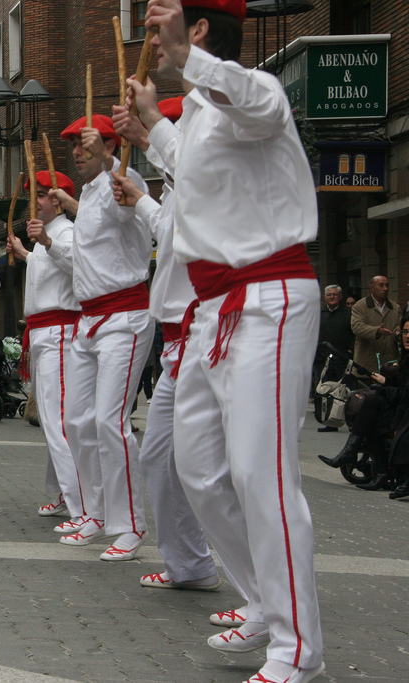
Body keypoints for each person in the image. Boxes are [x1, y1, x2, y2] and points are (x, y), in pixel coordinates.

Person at [145, 2, 324, 682]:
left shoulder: (258, 91)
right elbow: (192, 173)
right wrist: (149, 123)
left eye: (165, 27)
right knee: (196, 465)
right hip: (214, 308)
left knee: (260, 473)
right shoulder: (197, 115)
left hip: (268, 297)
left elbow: (252, 100)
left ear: (198, 32)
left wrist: (185, 62)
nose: (152, 39)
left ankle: (297, 646)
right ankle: (265, 603)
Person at [111, 94, 221, 591]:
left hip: (205, 335)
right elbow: (168, 229)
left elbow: (195, 179)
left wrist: (147, 135)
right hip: (177, 342)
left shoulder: (205, 178)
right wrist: (141, 200)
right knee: (158, 455)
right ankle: (190, 563)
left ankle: (262, 589)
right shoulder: (177, 190)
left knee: (209, 468)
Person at [58, 112, 153, 562]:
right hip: (88, 319)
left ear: (108, 146)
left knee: (110, 423)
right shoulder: (89, 192)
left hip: (124, 316)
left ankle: (130, 524)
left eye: (83, 144)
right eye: (74, 146)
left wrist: (115, 161)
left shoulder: (123, 180)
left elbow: (127, 201)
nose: (76, 152)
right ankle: (94, 512)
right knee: (77, 420)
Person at [6, 170, 94, 535]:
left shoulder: (67, 231)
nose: (35, 201)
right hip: (44, 334)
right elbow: (49, 270)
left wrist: (46, 242)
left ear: (58, 200)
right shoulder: (49, 235)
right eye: (34, 194)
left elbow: (78, 264)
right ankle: (61, 493)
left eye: (41, 194)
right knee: (52, 419)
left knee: (59, 421)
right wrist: (27, 253)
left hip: (59, 333)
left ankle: (83, 506)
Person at [318, 320, 408, 490]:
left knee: (373, 404)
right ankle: (377, 470)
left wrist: (385, 387)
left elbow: (404, 394)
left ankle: (352, 453)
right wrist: (385, 382)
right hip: (400, 406)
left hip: (405, 411)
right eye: (405, 332)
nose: (407, 337)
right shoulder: (404, 358)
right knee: (371, 404)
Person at [314, 284, 355, 431]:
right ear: (325, 297)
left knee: (345, 392)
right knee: (325, 392)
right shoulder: (319, 313)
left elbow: (354, 333)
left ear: (341, 296)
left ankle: (351, 423)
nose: (332, 297)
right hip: (323, 359)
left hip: (342, 358)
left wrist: (350, 350)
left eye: (335, 294)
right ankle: (330, 423)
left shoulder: (348, 313)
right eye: (329, 295)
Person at [351, 275, 400, 376]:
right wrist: (376, 331)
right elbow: (357, 327)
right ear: (372, 287)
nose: (385, 288)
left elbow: (399, 327)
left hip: (389, 365)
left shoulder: (395, 308)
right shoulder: (360, 306)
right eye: (381, 285)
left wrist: (397, 333)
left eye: (387, 285)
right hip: (367, 365)